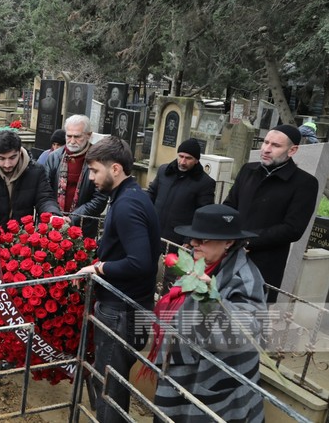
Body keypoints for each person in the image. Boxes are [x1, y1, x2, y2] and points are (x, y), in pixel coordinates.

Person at [151, 204, 265, 422]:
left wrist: (210, 298)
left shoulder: (245, 277)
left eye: (203, 239)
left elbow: (247, 328)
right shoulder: (201, 264)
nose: (194, 244)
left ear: (229, 242)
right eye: (194, 237)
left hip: (216, 375)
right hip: (185, 365)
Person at [77, 136, 160, 423]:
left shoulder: (126, 205)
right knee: (113, 380)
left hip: (121, 309)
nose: (91, 178)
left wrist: (98, 268)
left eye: (95, 171)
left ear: (115, 169)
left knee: (109, 384)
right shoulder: (132, 196)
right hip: (131, 304)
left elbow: (140, 261)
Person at [0, 128, 61, 352]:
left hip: (24, 246)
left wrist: (54, 215)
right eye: (2, 159)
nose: (8, 164)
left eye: (12, 157)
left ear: (20, 152)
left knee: (20, 297)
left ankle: (15, 344)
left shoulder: (36, 171)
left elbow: (45, 199)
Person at [223, 124, 319, 302]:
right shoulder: (248, 170)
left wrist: (247, 240)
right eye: (266, 142)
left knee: (248, 321)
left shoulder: (304, 183)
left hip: (263, 264)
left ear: (292, 150)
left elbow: (292, 228)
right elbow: (229, 206)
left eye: (275, 145)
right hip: (229, 255)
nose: (266, 149)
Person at [45, 115, 108, 238]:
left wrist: (73, 218)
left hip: (84, 228)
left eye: (77, 137)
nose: (72, 141)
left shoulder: (99, 160)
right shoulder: (54, 157)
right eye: (69, 136)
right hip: (54, 224)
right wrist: (56, 216)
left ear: (89, 135)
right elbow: (45, 191)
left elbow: (100, 198)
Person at [146, 138, 215, 250]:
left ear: (197, 160)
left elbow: (203, 215)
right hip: (152, 232)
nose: (183, 162)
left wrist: (189, 239)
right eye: (181, 156)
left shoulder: (205, 183)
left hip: (177, 241)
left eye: (188, 158)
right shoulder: (164, 171)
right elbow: (151, 194)